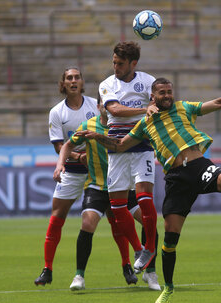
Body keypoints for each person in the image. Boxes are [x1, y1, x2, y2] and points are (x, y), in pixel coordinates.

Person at [76, 77, 221, 303]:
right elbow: (120, 145)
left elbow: (218, 103)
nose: (167, 95)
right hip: (176, 179)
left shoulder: (184, 108)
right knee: (171, 238)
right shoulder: (145, 124)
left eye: (169, 91)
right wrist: (98, 137)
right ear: (152, 97)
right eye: (162, 92)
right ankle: (168, 288)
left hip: (199, 166)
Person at [53, 97, 159, 290]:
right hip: (98, 186)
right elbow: (67, 145)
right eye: (106, 105)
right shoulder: (88, 125)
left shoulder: (125, 127)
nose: (109, 109)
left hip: (124, 187)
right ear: (99, 106)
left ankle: (150, 271)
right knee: (87, 223)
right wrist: (61, 164)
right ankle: (79, 276)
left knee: (148, 220)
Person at [34, 67, 99, 286]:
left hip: (96, 171)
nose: (73, 81)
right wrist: (78, 156)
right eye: (69, 78)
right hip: (71, 171)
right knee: (56, 217)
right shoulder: (56, 112)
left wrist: (88, 157)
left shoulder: (95, 106)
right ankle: (47, 269)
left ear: (82, 82)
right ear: (63, 83)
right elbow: (59, 146)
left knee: (115, 217)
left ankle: (127, 265)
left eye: (77, 77)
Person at [98, 41, 158, 276]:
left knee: (144, 199)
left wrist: (152, 108)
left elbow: (158, 105)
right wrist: (145, 110)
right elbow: (114, 110)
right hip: (117, 149)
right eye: (113, 62)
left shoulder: (148, 81)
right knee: (117, 207)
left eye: (120, 63)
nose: (115, 67)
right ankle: (139, 249)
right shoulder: (107, 84)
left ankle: (150, 247)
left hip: (142, 146)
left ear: (134, 63)